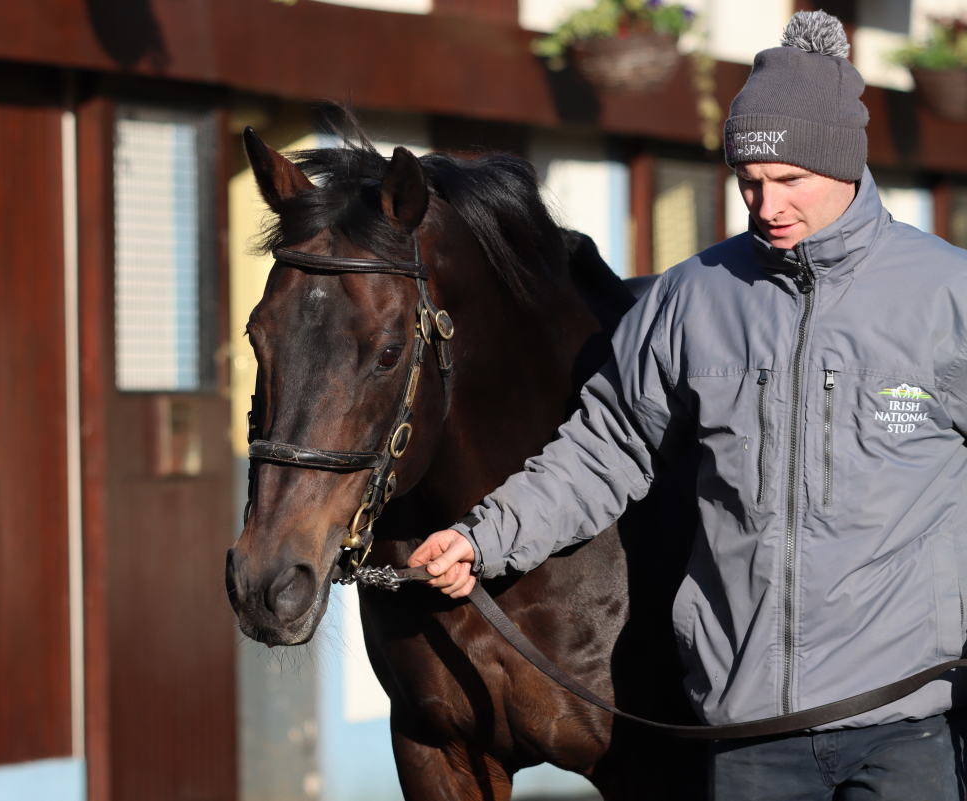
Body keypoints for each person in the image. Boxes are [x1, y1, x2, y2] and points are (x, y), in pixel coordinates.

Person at [409, 10, 967, 800]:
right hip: (746, 740)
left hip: (907, 726)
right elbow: (604, 447)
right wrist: (484, 537)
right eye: (749, 181)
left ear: (845, 164)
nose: (766, 204)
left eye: (789, 181)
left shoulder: (947, 294)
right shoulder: (691, 298)